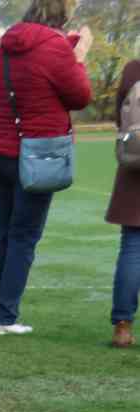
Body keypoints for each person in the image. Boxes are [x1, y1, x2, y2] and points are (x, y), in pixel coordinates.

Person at [0, 0, 92, 336]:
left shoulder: (8, 43)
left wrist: (68, 49)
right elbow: (79, 96)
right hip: (38, 154)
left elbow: (34, 74)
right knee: (24, 237)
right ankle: (5, 317)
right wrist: (80, 56)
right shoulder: (55, 48)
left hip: (0, 150)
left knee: (5, 235)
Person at [106, 58, 140, 349]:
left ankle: (122, 326)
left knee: (132, 248)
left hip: (135, 166)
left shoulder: (133, 69)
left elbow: (121, 118)